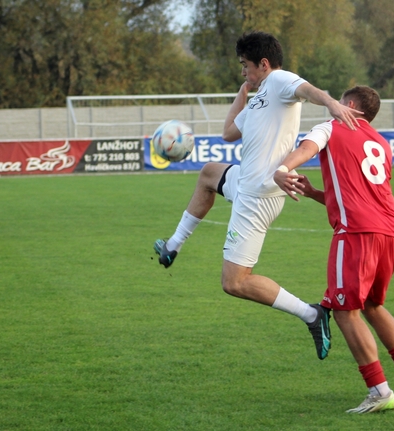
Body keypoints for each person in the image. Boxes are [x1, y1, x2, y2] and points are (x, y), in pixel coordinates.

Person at [154, 31, 361, 360]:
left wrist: (332, 103)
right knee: (209, 172)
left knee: (234, 282)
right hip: (245, 180)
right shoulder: (262, 96)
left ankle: (312, 314)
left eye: (245, 66)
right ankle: (172, 246)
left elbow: (307, 89)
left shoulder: (279, 80)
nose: (242, 71)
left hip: (258, 196)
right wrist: (245, 90)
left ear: (264, 64)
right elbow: (228, 133)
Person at [273, 85, 394, 414]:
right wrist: (315, 193)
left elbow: (307, 148)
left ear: (350, 105)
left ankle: (379, 390)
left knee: (344, 310)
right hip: (389, 230)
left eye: (339, 101)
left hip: (356, 232)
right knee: (372, 304)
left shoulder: (332, 127)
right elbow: (361, 195)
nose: (334, 105)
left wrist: (283, 170)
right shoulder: (381, 143)